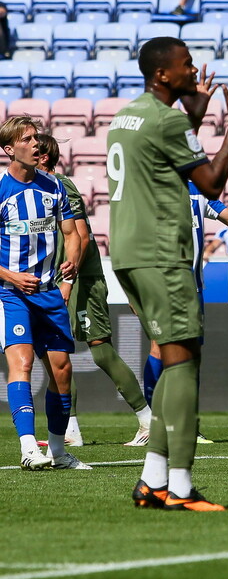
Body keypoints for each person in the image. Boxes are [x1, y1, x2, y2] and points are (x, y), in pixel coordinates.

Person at [112, 37, 228, 512]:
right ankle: (182, 487)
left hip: (129, 252)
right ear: (162, 75)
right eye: (186, 64)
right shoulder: (167, 119)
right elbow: (212, 181)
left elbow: (160, 154)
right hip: (161, 252)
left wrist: (192, 114)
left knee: (174, 359)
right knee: (185, 363)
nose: (194, 69)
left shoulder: (126, 116)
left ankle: (153, 481)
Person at [36, 133, 152, 449]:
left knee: (100, 351)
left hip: (82, 281)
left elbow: (83, 238)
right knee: (55, 354)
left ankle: (147, 420)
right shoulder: (32, 193)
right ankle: (71, 430)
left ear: (44, 157)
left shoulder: (62, 186)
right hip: (54, 283)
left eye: (33, 148)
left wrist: (70, 281)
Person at [142, 181, 228, 424]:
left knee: (192, 355)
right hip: (161, 285)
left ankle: (187, 422)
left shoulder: (198, 191)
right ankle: (150, 422)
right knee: (159, 347)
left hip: (193, 288)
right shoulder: (153, 188)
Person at [0, 116, 87, 471]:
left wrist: (70, 272)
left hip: (50, 292)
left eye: (37, 138)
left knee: (62, 371)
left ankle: (58, 451)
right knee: (20, 363)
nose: (37, 144)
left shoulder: (53, 187)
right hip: (11, 293)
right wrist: (11, 277)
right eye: (29, 139)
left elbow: (73, 234)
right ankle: (27, 447)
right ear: (9, 150)